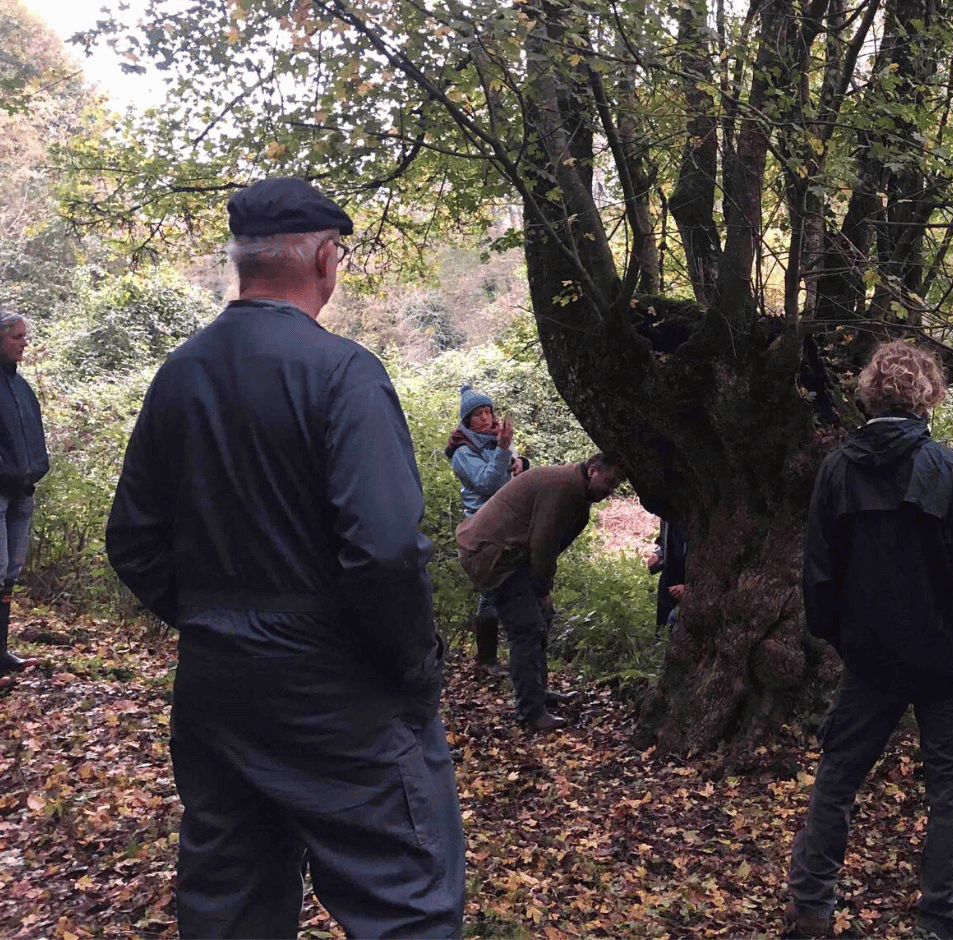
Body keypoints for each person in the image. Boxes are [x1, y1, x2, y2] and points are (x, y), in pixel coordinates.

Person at [105, 177, 464, 938]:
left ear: (243, 262)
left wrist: (217, 618)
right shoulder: (344, 373)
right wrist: (411, 664)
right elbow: (387, 549)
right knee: (403, 900)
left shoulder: (180, 372)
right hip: (339, 691)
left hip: (217, 685)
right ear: (326, 259)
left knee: (231, 897)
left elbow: (133, 539)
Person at [784, 340, 953, 940]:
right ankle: (942, 921)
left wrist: (844, 639)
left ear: (870, 391)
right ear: (928, 395)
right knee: (949, 794)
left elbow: (818, 574)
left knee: (838, 778)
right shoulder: (949, 469)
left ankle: (812, 908)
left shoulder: (838, 469)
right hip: (945, 662)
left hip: (870, 658)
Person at [455, 453, 625, 731]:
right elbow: (543, 545)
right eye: (608, 481)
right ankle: (530, 712)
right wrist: (542, 588)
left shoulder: (573, 487)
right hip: (492, 556)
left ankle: (538, 694)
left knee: (541, 620)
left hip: (508, 554)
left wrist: (543, 590)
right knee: (527, 629)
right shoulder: (565, 487)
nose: (610, 490)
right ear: (592, 469)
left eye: (616, 485)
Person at [446, 384, 529, 669]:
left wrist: (521, 463)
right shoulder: (462, 452)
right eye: (478, 414)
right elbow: (486, 484)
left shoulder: (496, 440)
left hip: (511, 521)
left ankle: (495, 659)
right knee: (491, 589)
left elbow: (513, 471)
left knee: (504, 586)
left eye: (488, 411)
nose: (485, 418)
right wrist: (505, 452)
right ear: (466, 420)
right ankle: (487, 659)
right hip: (484, 525)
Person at [0, 310, 46, 684]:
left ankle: (1, 653)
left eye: (24, 336)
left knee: (10, 573)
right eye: (16, 336)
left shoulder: (21, 386)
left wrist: (37, 467)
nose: (23, 342)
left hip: (22, 492)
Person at [644, 517, 687, 628]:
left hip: (688, 585)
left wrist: (690, 587)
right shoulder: (668, 510)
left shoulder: (698, 511)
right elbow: (664, 538)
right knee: (663, 630)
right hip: (669, 581)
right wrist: (658, 554)